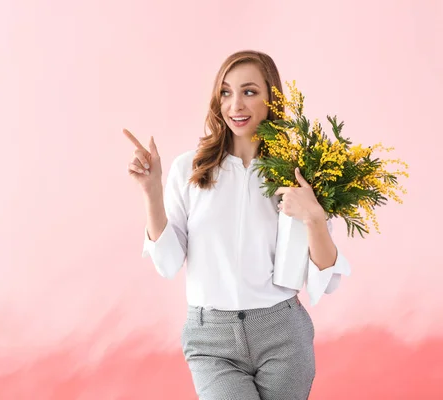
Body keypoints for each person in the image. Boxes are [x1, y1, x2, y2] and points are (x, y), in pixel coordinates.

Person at [123, 50, 351, 400]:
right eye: (226, 92)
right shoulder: (191, 170)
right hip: (211, 340)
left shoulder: (299, 172)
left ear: (271, 97)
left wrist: (315, 216)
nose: (235, 105)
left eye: (249, 91)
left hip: (282, 333)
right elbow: (168, 263)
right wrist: (152, 192)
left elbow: (328, 280)